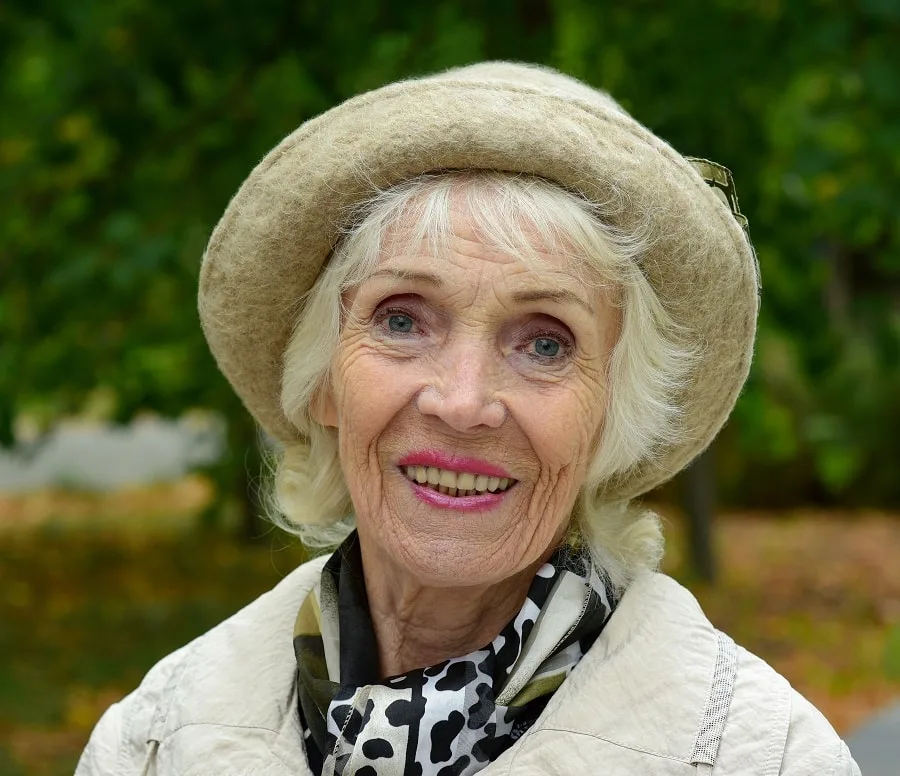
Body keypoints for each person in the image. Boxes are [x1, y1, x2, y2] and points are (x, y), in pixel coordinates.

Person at [76, 62, 859, 775]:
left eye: (546, 343)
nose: (461, 401)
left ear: (611, 417)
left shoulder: (763, 755)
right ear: (322, 383)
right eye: (403, 320)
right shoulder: (152, 742)